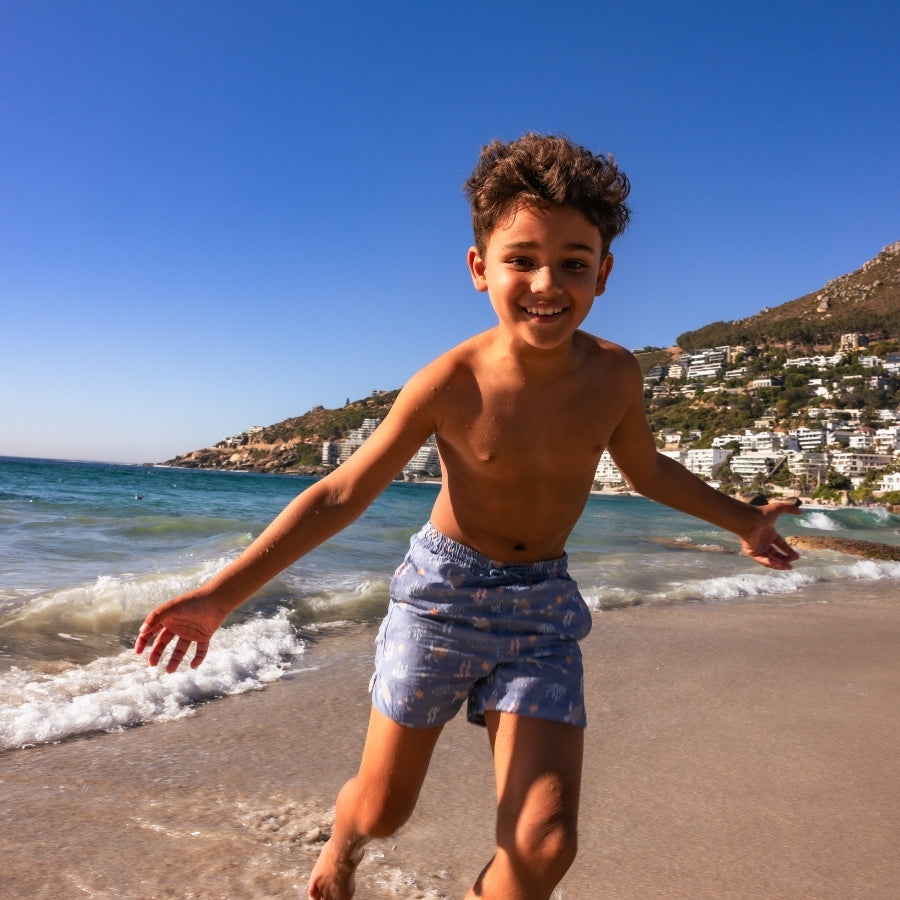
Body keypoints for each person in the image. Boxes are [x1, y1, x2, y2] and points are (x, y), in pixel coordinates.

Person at [135, 133, 801, 900]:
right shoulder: (448, 382)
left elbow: (645, 471)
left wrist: (743, 522)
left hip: (544, 609)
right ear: (480, 266)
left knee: (543, 844)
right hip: (441, 600)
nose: (547, 283)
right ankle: (342, 844)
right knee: (385, 810)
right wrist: (222, 595)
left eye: (573, 263)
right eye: (521, 258)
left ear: (603, 275)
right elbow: (342, 493)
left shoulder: (615, 375)